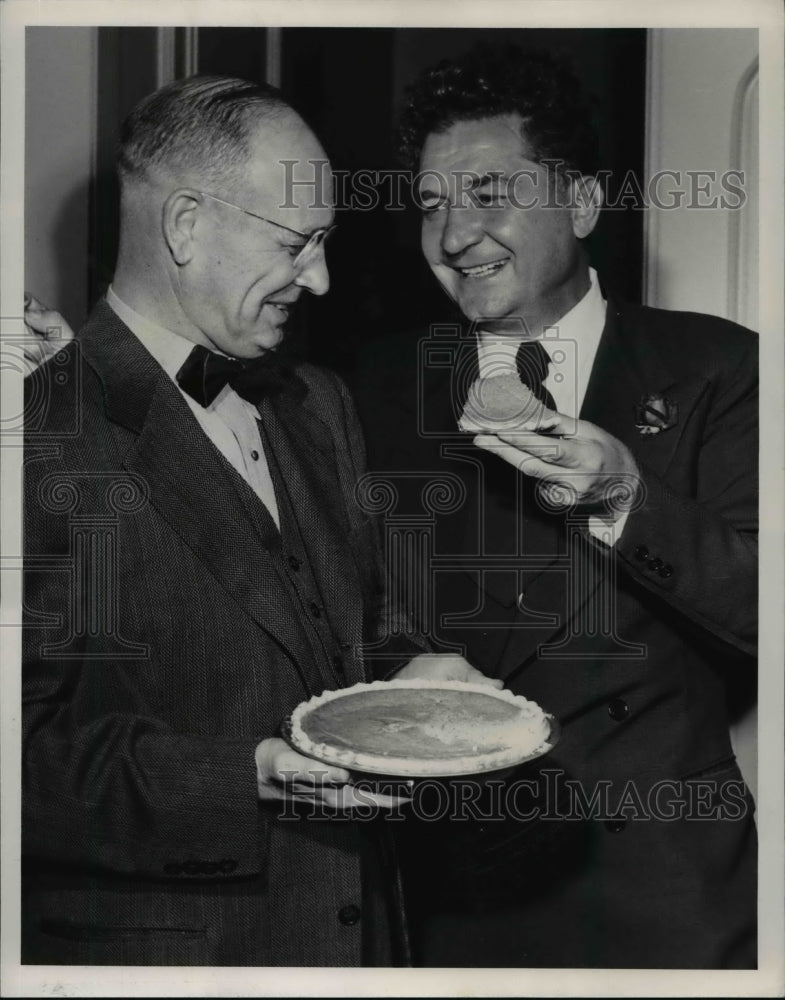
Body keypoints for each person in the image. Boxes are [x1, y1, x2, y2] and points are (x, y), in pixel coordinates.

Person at [20, 74, 492, 968]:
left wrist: (414, 674)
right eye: (298, 243)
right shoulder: (34, 431)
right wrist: (243, 780)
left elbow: (356, 627)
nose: (319, 279)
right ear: (187, 225)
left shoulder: (317, 404)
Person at [351, 45, 758, 968]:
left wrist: (625, 496)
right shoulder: (370, 389)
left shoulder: (717, 370)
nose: (454, 236)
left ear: (578, 203)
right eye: (429, 203)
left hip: (669, 894)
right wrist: (410, 659)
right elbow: (321, 593)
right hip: (458, 892)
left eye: (489, 192)